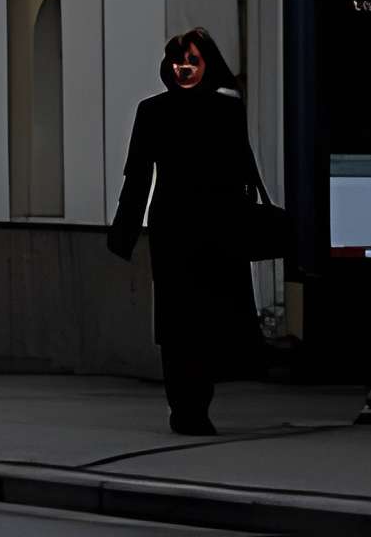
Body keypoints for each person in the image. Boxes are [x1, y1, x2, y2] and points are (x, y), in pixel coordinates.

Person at [106, 26, 264, 437]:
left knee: (208, 318)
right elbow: (137, 174)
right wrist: (123, 232)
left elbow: (242, 172)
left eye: (194, 60)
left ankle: (198, 403)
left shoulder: (227, 111)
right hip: (173, 229)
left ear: (206, 64)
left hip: (216, 227)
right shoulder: (153, 111)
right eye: (179, 60)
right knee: (178, 321)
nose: (185, 68)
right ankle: (184, 407)